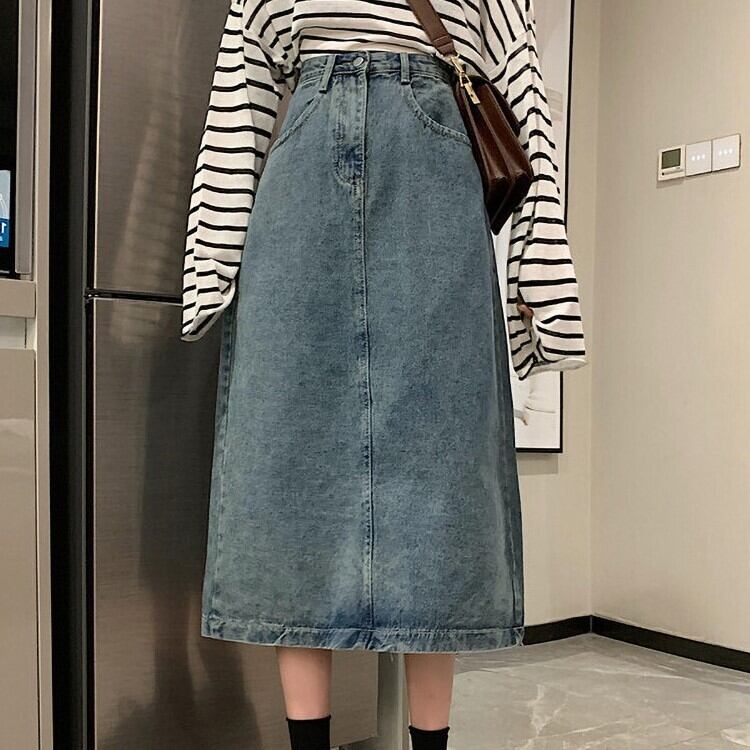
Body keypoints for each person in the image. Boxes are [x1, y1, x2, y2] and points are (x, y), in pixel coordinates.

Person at [180, 1, 587, 748]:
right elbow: (239, 105)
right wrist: (212, 266)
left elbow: (527, 106)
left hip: (438, 195)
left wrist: (541, 281)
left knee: (443, 483)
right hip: (299, 197)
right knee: (288, 476)